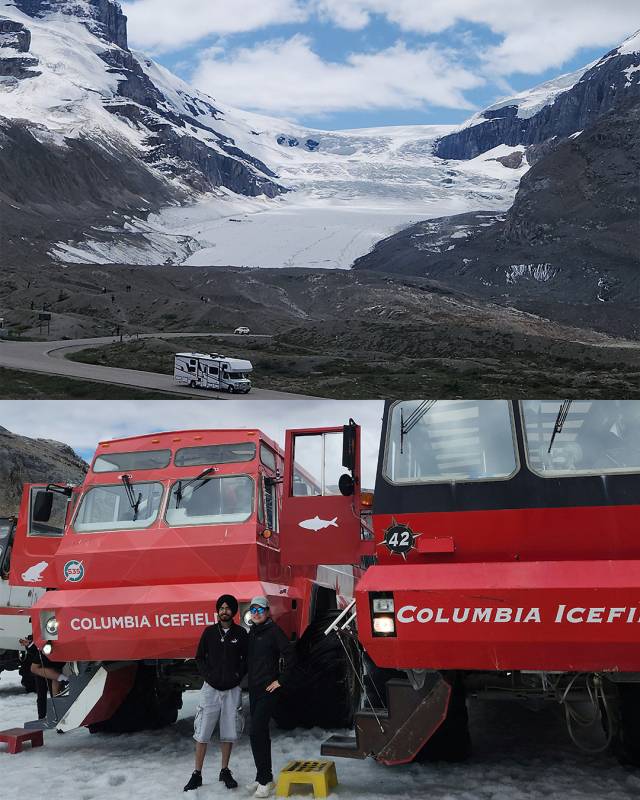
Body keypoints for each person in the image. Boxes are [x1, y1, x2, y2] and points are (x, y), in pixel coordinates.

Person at [184, 595, 248, 792]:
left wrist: (237, 676)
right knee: (202, 731)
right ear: (217, 611)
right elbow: (199, 657)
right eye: (221, 607)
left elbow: (246, 659)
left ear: (234, 612)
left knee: (229, 731)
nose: (224, 611)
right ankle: (197, 773)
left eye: (228, 608)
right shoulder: (210, 632)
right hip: (210, 689)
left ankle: (225, 770)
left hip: (232, 689)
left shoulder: (241, 633)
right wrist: (208, 676)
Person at [246, 596, 296, 799]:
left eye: (260, 610)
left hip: (269, 690)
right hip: (254, 690)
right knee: (258, 734)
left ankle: (266, 780)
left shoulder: (273, 631)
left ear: (267, 612)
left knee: (256, 730)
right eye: (253, 610)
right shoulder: (252, 633)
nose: (256, 614)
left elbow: (291, 654)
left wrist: (281, 680)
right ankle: (262, 777)